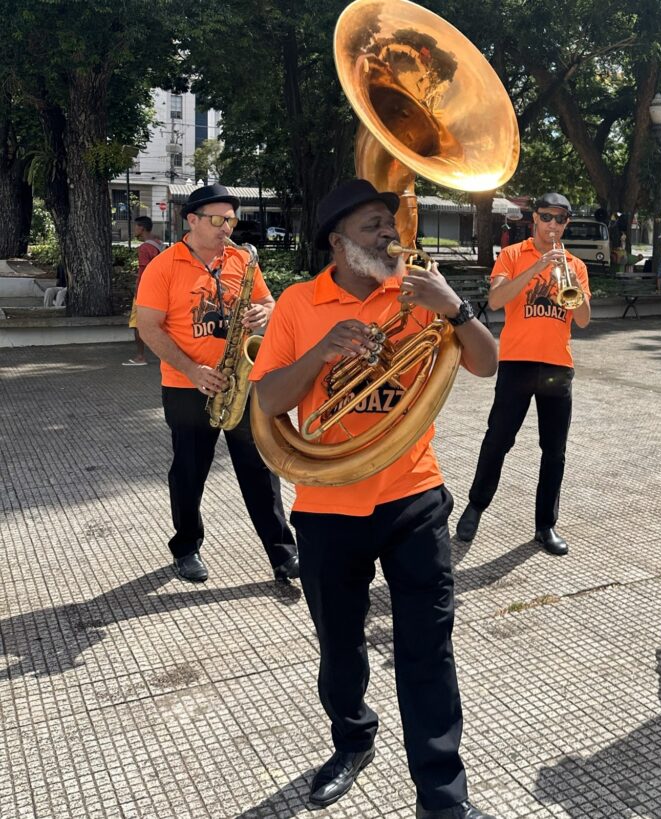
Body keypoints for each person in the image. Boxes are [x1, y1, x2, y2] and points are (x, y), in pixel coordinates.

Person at [250, 179, 499, 818]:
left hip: (414, 497)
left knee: (428, 649)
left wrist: (456, 308)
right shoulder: (299, 303)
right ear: (337, 242)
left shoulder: (417, 292)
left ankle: (442, 797)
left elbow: (486, 363)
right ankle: (353, 739)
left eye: (391, 224)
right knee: (339, 647)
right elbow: (268, 400)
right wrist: (322, 353)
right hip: (327, 505)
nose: (390, 234)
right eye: (372, 226)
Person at [135, 183, 298, 584]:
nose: (228, 227)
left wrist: (264, 313)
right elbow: (150, 328)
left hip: (242, 380)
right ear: (191, 220)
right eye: (219, 219)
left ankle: (283, 553)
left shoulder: (242, 259)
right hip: (187, 385)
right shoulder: (163, 266)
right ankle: (186, 547)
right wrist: (192, 370)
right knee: (189, 471)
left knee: (260, 469)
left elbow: (269, 302)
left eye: (231, 220)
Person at [455, 192, 591, 556]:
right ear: (535, 218)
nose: (552, 224)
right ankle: (476, 506)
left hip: (557, 366)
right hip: (517, 363)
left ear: (566, 223)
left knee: (554, 451)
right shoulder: (513, 255)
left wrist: (571, 281)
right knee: (498, 439)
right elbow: (496, 300)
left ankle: (545, 525)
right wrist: (537, 267)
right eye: (546, 217)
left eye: (560, 219)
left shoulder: (575, 265)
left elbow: (582, 319)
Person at [124, 216, 163, 365]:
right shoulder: (159, 244)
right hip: (158, 289)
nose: (134, 229)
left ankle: (140, 357)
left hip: (144, 291)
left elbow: (144, 272)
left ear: (141, 228)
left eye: (136, 226)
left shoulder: (144, 248)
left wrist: (138, 291)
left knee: (137, 324)